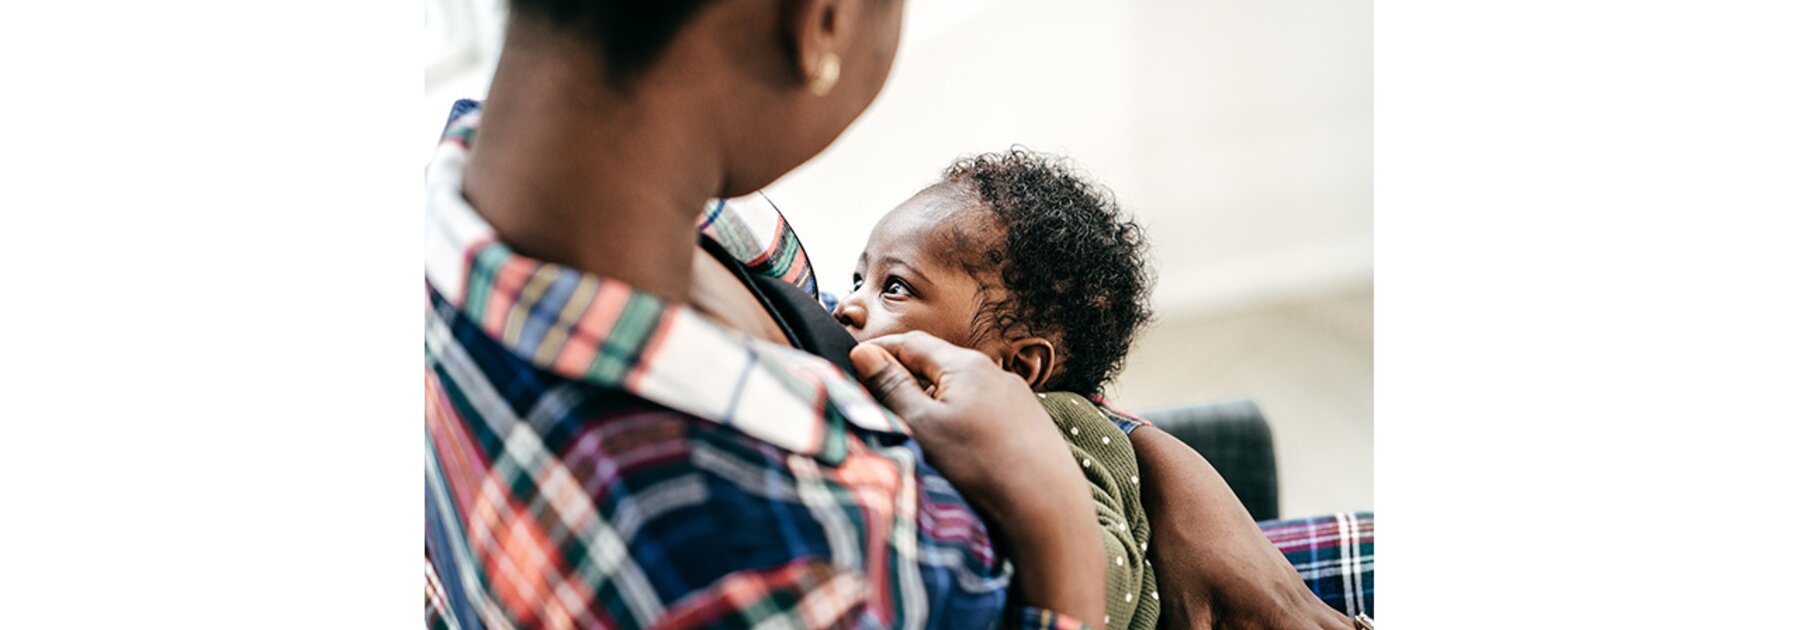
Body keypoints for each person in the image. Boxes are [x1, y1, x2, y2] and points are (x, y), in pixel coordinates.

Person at [423, 0, 1371, 628]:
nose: (852, 305)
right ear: (821, 22)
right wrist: (1051, 517)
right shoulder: (728, 558)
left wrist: (1164, 467)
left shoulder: (637, 211)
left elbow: (988, 372)